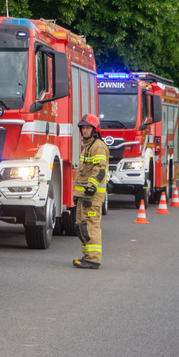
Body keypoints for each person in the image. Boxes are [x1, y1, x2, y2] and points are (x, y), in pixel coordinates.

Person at [73, 114, 108, 270]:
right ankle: (87, 256)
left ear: (95, 130)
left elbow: (99, 170)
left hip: (92, 195)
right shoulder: (87, 146)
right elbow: (83, 173)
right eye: (83, 128)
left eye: (87, 128)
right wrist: (78, 194)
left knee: (90, 226)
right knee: (80, 226)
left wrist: (90, 190)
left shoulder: (98, 146)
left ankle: (93, 259)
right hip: (84, 195)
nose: (84, 130)